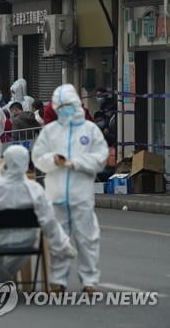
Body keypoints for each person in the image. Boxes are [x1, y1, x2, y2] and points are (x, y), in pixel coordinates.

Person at [32, 84, 108, 295]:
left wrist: (76, 163)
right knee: (59, 240)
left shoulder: (90, 130)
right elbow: (38, 157)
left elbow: (100, 158)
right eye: (62, 106)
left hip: (80, 194)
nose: (65, 109)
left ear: (76, 104)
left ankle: (89, 281)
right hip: (56, 193)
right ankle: (58, 280)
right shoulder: (50, 131)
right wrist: (53, 161)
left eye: (69, 105)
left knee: (87, 238)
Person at [0, 145, 76, 283]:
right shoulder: (35, 188)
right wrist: (62, 243)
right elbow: (48, 220)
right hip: (27, 239)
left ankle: (0, 279)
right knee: (34, 235)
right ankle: (4, 277)